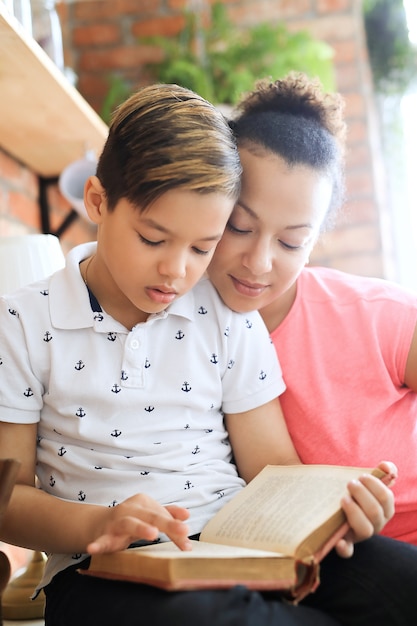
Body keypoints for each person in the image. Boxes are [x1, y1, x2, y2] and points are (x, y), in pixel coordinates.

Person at [0, 82, 405, 626]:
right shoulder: (23, 322)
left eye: (202, 247)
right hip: (102, 569)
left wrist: (336, 508)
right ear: (97, 201)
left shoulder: (226, 314)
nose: (177, 270)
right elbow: (7, 500)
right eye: (153, 239)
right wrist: (100, 524)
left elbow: (272, 470)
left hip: (236, 544)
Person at [206, 70, 417, 614]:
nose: (259, 262)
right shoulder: (186, 327)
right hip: (319, 567)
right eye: (238, 226)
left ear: (316, 240)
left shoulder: (378, 317)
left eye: (292, 241)